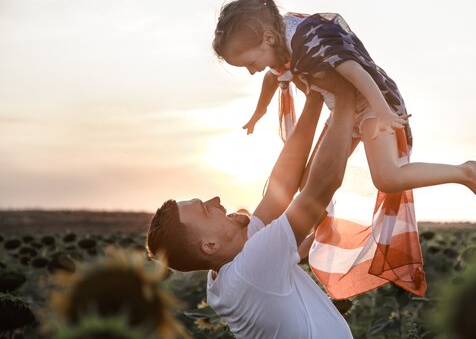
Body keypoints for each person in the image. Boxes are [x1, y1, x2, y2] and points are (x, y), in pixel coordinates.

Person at [212, 0, 476, 216]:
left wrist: (383, 112)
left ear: (268, 38)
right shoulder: (276, 45)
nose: (252, 71)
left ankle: (465, 172)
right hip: (342, 110)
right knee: (311, 183)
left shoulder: (308, 38)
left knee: (387, 177)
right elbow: (273, 79)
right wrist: (258, 113)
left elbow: (355, 71)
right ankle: (308, 240)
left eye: (250, 63)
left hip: (372, 100)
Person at [146, 73, 357, 339]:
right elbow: (320, 188)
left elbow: (280, 189)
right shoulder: (250, 269)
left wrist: (315, 96)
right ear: (210, 245)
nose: (217, 201)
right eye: (206, 209)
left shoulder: (227, 270)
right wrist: (345, 97)